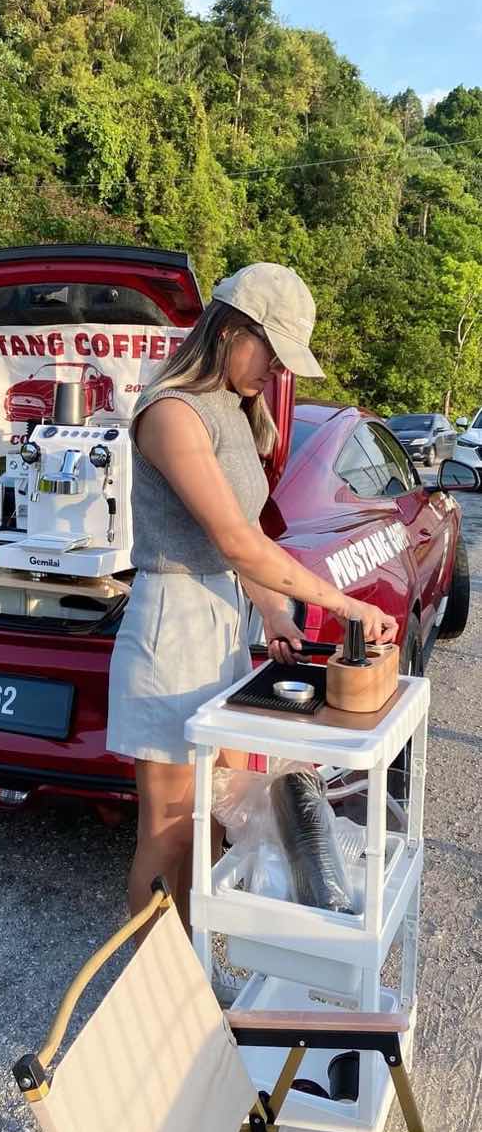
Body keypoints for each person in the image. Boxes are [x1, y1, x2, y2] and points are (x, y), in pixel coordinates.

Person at [106, 262, 397, 939]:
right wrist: (346, 606)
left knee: (214, 812)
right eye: (272, 353)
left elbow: (237, 539)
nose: (277, 373)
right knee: (169, 828)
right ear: (234, 330)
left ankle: (194, 960)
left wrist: (269, 607)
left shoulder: (233, 410)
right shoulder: (170, 412)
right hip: (172, 627)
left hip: (218, 618)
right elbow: (235, 541)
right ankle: (152, 984)